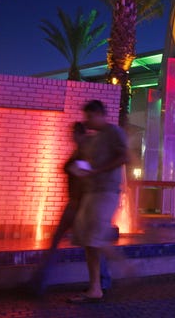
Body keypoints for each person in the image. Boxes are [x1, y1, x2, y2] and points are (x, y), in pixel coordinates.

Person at [30, 122, 112, 296]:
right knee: (84, 244)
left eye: (73, 133)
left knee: (91, 245)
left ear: (79, 134)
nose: (71, 137)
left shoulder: (87, 151)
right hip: (74, 204)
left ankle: (102, 280)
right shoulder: (79, 150)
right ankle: (40, 280)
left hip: (82, 206)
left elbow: (81, 172)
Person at [69, 100, 128, 303]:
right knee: (87, 241)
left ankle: (126, 266)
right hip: (91, 192)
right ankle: (95, 287)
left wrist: (98, 170)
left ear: (99, 114)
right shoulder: (95, 139)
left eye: (89, 116)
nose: (87, 121)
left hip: (107, 192)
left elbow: (124, 157)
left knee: (94, 238)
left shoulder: (114, 132)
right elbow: (89, 162)